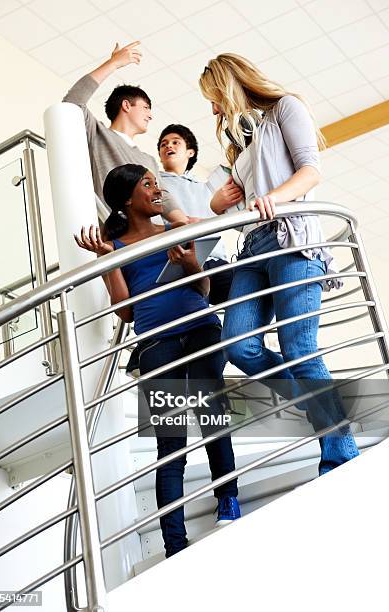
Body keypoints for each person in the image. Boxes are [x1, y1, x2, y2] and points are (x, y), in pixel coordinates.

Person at [199, 53, 359, 475]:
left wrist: (277, 197)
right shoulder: (241, 142)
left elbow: (311, 171)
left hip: (291, 240)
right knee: (239, 346)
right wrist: (218, 202)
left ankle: (339, 451)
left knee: (299, 350)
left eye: (213, 98)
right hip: (253, 249)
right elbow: (228, 202)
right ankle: (323, 411)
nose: (213, 109)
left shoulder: (285, 107)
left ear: (227, 85)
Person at [74, 163, 240, 558]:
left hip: (200, 328)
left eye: (156, 183)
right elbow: (125, 312)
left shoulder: (176, 231)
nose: (157, 189)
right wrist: (107, 263)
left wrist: (187, 262)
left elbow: (202, 288)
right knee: (171, 443)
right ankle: (174, 543)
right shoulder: (113, 248)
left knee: (212, 416)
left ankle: (228, 500)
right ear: (128, 199)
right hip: (155, 345)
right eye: (148, 184)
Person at [63, 41, 186, 223]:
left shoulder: (148, 160)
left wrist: (184, 223)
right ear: (126, 105)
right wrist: (113, 63)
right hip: (119, 237)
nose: (150, 116)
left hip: (155, 237)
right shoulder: (97, 134)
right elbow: (71, 104)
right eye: (146, 107)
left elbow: (164, 197)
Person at [158, 124, 243, 305]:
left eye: (175, 142)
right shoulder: (157, 184)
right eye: (163, 144)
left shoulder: (207, 187)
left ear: (190, 152)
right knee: (196, 315)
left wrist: (204, 222)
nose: (168, 146)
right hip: (181, 263)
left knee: (247, 292)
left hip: (216, 259)